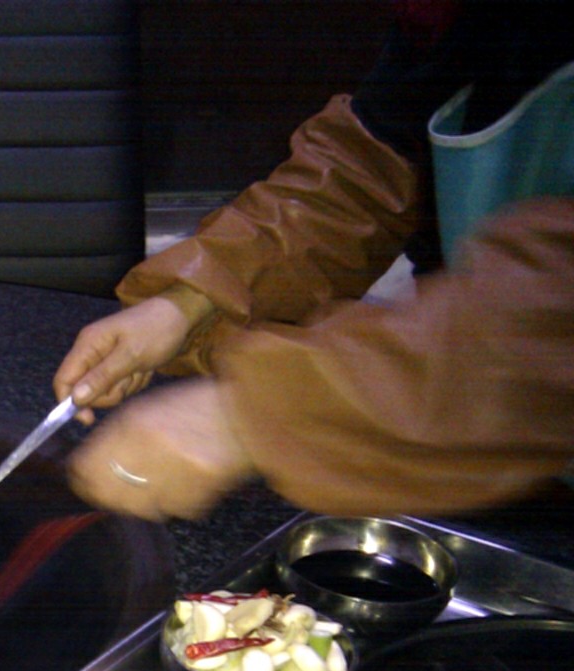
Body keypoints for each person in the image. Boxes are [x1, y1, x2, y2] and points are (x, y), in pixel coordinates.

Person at [54, 0, 574, 522]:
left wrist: (265, 414)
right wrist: (192, 299)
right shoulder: (452, 18)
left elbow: (552, 328)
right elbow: (365, 176)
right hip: (474, 450)